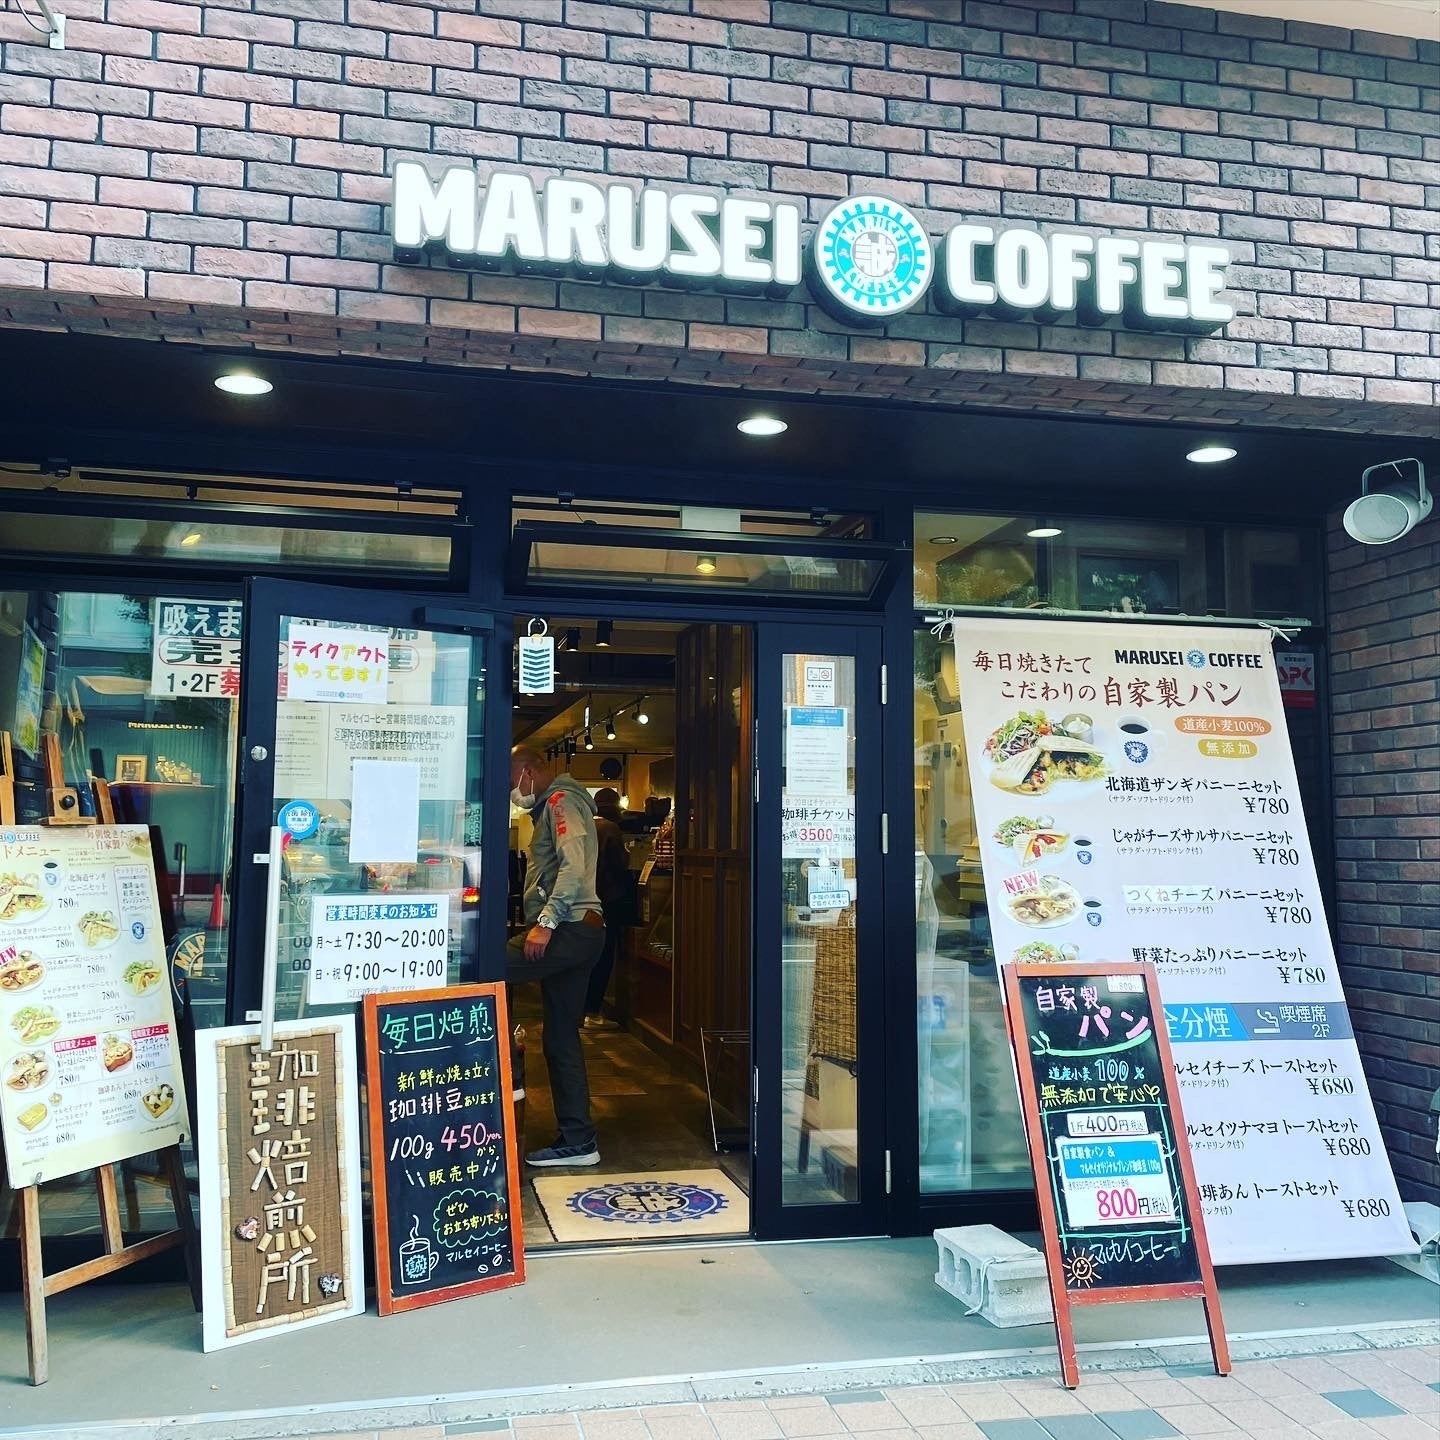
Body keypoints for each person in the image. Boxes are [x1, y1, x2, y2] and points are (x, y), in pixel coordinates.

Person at [507, 745, 606, 1167]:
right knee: (561, 1037)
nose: (512, 791)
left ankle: (493, 1097)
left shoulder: (561, 802)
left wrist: (546, 923)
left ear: (529, 771)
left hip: (569, 929)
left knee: (486, 970)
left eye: (511, 780)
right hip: (580, 930)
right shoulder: (552, 805)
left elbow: (573, 866)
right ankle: (579, 1141)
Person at [583, 787, 630, 1029]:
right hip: (607, 902)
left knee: (585, 956)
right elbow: (620, 865)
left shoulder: (584, 825)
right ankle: (592, 1012)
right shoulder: (610, 829)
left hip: (583, 901)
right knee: (603, 956)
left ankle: (579, 1010)